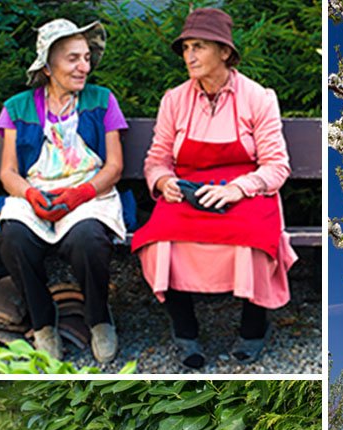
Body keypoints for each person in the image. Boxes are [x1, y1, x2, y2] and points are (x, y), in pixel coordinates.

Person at [131, 8, 297, 369]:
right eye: (187, 47)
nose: (189, 56)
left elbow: (276, 165)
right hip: (188, 188)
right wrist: (163, 181)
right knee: (159, 238)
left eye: (200, 46)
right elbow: (157, 157)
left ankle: (254, 329)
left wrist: (240, 188)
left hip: (245, 191)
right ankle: (185, 330)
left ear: (224, 52)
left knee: (255, 238)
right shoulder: (173, 100)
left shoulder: (257, 97)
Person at [0, 18, 128, 363]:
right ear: (48, 66)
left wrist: (80, 194)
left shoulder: (103, 101)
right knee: (13, 237)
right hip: (37, 194)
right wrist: (31, 195)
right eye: (73, 59)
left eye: (87, 57)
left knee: (88, 240)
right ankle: (43, 321)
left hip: (89, 195)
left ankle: (98, 318)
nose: (84, 66)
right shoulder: (17, 107)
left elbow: (115, 167)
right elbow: (8, 172)